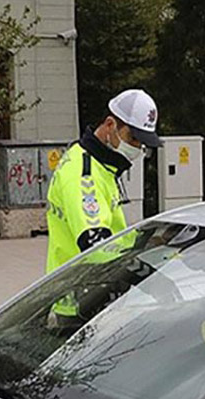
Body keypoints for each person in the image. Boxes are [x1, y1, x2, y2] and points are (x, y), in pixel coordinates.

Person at [45, 89, 162, 275]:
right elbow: (97, 247)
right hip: (80, 295)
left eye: (142, 143)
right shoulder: (84, 176)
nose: (137, 148)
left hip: (93, 288)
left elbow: (113, 232)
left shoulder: (99, 165)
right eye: (133, 138)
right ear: (110, 125)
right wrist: (147, 275)